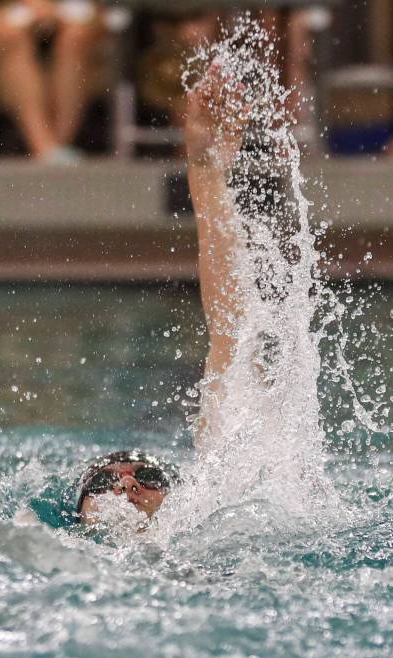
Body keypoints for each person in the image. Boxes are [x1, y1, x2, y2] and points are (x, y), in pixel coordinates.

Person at [73, 60, 249, 524]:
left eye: (147, 476)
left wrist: (208, 172)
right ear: (78, 511)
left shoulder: (201, 531)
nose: (126, 484)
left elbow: (231, 338)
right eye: (102, 482)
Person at [0, 0, 104, 162]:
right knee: (9, 34)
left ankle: (61, 142)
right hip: (14, 7)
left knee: (76, 36)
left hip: (80, 7)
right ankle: (43, 145)